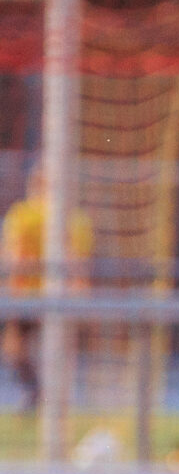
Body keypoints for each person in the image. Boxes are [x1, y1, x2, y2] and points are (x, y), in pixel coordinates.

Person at [0, 168, 92, 409]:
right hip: (44, 297)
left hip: (36, 297)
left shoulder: (24, 215)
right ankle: (42, 395)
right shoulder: (73, 218)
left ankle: (41, 395)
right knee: (23, 350)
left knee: (20, 350)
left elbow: (15, 259)